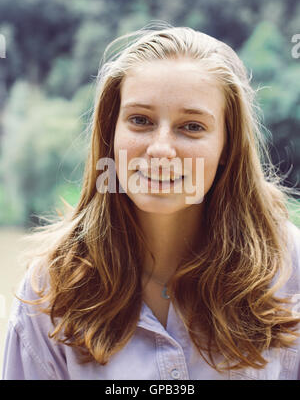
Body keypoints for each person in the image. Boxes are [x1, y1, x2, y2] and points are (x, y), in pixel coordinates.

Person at [2, 24, 300, 380]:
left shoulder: (288, 269)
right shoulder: (51, 288)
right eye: (140, 120)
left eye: (191, 126)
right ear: (111, 133)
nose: (160, 149)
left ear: (227, 146)